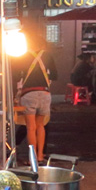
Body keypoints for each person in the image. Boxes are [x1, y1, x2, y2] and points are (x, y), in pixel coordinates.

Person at [12, 35, 58, 163]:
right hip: (44, 94)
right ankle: (40, 156)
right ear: (42, 45)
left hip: (29, 94)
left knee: (31, 128)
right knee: (41, 126)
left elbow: (15, 75)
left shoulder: (24, 56)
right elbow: (55, 74)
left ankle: (32, 158)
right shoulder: (47, 55)